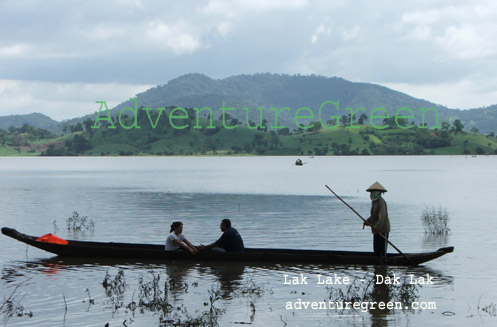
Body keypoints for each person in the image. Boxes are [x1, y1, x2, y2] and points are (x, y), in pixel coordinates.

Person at [363, 182, 390, 257]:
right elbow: (374, 216)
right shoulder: (374, 202)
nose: (372, 194)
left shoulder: (381, 202)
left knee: (382, 249)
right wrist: (367, 221)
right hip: (376, 229)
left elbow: (382, 217)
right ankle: (378, 265)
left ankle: (382, 262)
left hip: (382, 229)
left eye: (373, 192)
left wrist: (377, 226)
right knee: (376, 248)